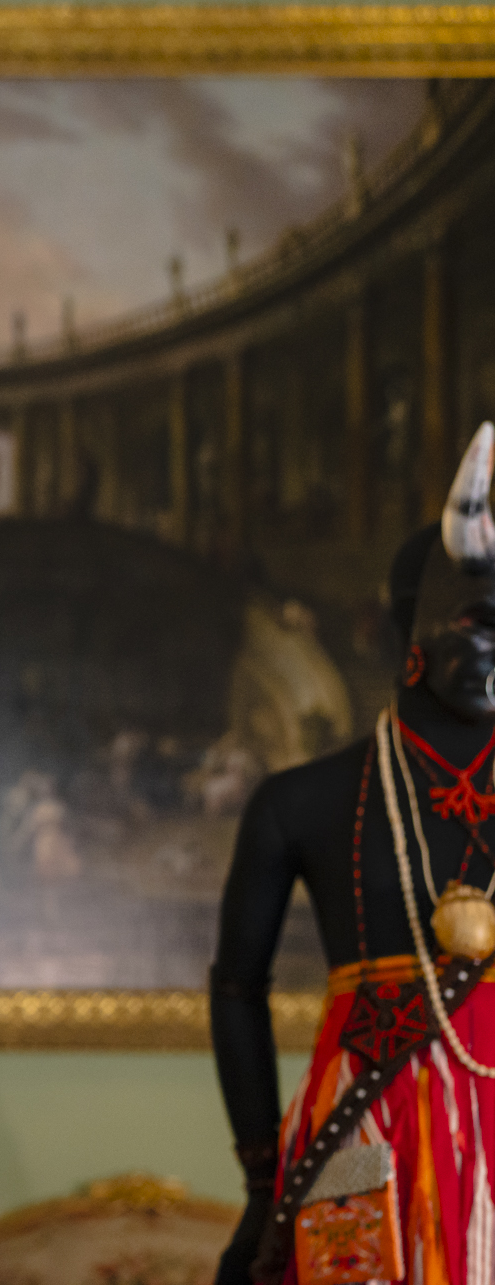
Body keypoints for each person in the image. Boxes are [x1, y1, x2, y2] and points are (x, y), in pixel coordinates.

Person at [212, 423, 495, 1285]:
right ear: (410, 628)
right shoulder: (300, 801)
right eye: (478, 617)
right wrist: (265, 1178)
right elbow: (237, 984)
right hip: (369, 1138)